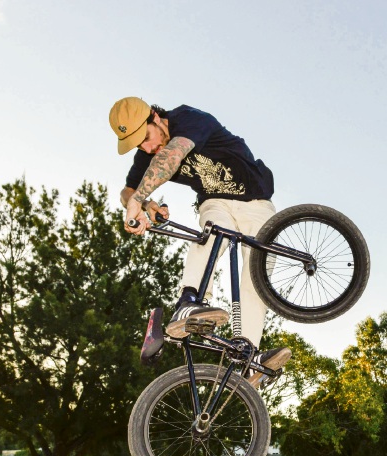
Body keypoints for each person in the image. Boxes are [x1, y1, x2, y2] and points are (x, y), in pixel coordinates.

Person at [108, 97, 290, 386]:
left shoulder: (190, 119)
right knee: (213, 230)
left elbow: (172, 156)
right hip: (215, 201)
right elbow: (128, 190)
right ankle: (188, 302)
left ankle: (248, 353)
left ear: (155, 117)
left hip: (255, 200)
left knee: (258, 267)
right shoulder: (146, 152)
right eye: (138, 146)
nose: (147, 148)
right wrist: (146, 204)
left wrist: (140, 199)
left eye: (146, 138)